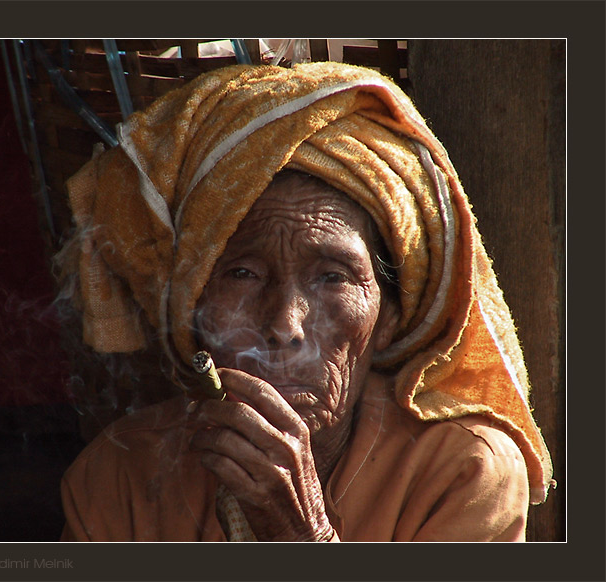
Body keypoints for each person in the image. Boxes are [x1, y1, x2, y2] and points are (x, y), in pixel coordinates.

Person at [58, 62, 553, 542]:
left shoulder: (466, 472)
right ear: (193, 307)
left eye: (332, 278)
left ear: (390, 319)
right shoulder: (118, 477)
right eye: (243, 273)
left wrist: (300, 537)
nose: (283, 326)